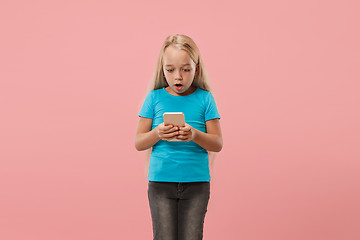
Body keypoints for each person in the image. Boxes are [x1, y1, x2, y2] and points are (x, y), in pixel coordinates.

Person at [135, 34, 223, 240]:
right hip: (160, 183)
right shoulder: (154, 98)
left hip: (197, 184)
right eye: (170, 70)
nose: (178, 77)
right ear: (162, 68)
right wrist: (157, 133)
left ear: (196, 69)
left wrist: (194, 134)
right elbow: (139, 142)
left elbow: (217, 143)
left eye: (186, 69)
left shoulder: (205, 98)